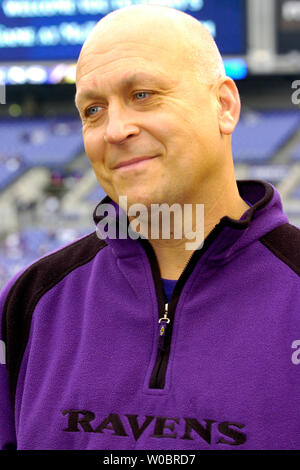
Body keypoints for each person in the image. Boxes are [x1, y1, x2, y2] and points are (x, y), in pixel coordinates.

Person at [1, 4, 300, 451]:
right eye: (93, 110)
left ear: (224, 105)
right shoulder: (30, 301)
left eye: (142, 94)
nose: (115, 130)